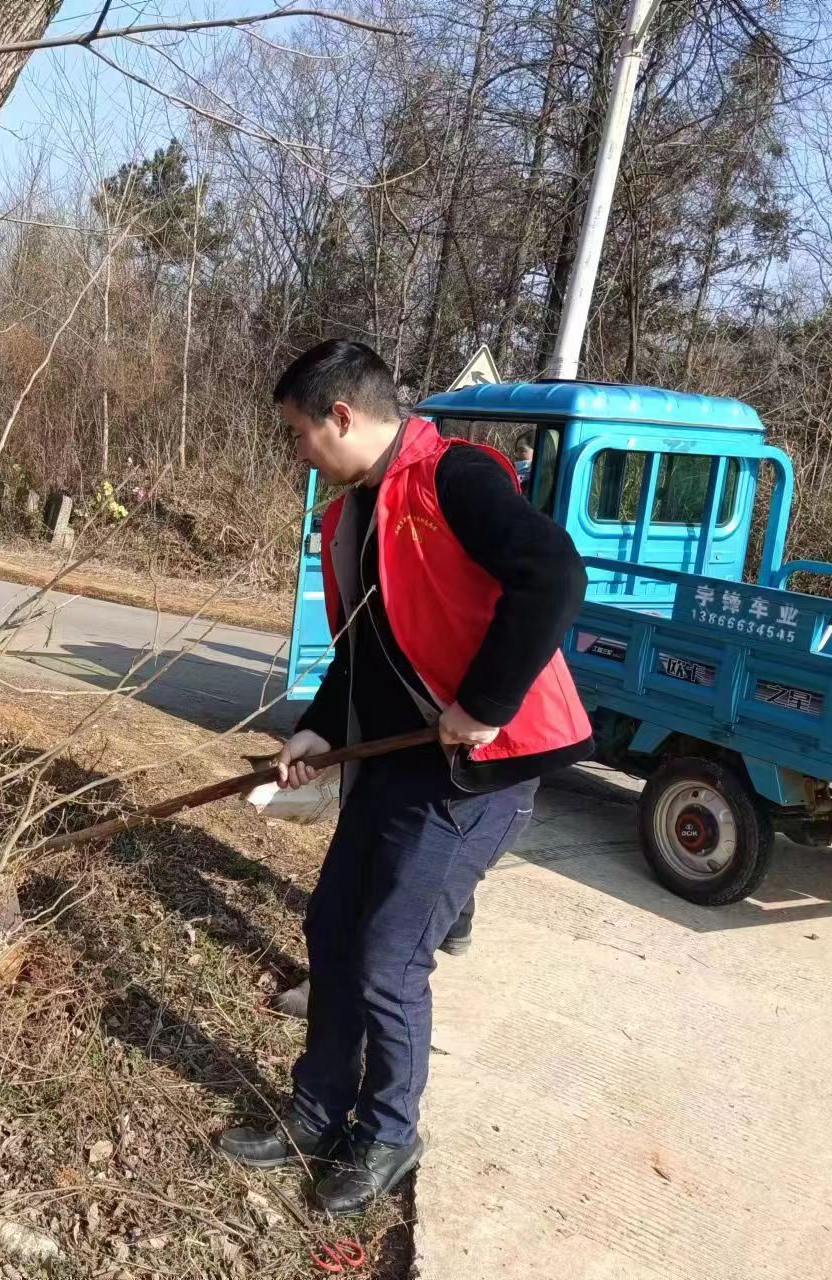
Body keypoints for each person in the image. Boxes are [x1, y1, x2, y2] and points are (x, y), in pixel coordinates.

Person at [216, 340, 591, 1215]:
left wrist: (486, 701)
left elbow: (553, 575)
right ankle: (316, 1110)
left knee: (387, 958)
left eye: (300, 432)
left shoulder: (454, 478)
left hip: (475, 775)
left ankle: (388, 1133)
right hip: (389, 766)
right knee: (333, 928)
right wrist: (315, 728)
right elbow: (367, 648)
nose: (297, 450)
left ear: (342, 417)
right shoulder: (354, 514)